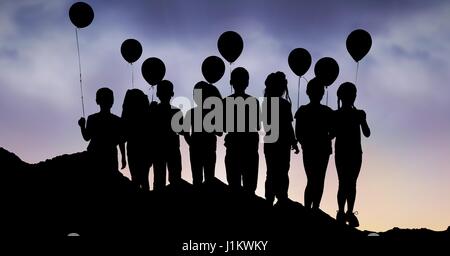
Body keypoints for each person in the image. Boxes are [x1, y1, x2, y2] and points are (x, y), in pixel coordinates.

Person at [334, 82, 371, 227]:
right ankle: (346, 212)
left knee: (344, 182)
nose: (353, 97)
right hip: (353, 152)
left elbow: (331, 135)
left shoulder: (339, 114)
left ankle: (344, 212)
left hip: (346, 152)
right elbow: (367, 133)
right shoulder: (358, 114)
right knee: (349, 183)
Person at [294, 78, 333, 210]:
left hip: (313, 148)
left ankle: (311, 208)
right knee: (317, 179)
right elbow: (334, 131)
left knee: (313, 179)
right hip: (319, 148)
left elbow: (298, 132)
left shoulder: (303, 110)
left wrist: (304, 142)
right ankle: (313, 208)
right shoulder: (327, 111)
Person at [262, 72, 299, 205]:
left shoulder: (266, 103)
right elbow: (288, 125)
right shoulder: (284, 104)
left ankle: (270, 198)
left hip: (271, 142)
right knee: (282, 171)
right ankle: (281, 196)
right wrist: (294, 142)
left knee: (271, 171)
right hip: (282, 142)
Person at [223, 67, 260, 194]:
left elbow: (222, 127)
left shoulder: (225, 101)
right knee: (250, 187)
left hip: (234, 147)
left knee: (234, 186)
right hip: (249, 147)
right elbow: (257, 125)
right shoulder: (253, 101)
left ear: (231, 82)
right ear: (247, 83)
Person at [78, 87, 126, 173]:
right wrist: (123, 157)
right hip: (110, 156)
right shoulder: (117, 120)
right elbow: (121, 141)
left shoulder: (92, 118)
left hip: (94, 154)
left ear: (97, 101)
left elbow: (86, 137)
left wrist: (82, 126)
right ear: (112, 102)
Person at [184, 81, 223, 186]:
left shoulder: (191, 112)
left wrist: (192, 144)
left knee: (198, 179)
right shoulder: (212, 113)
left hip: (198, 148)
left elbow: (185, 133)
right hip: (207, 147)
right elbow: (219, 132)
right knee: (209, 179)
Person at [152, 80, 183, 190]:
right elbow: (182, 130)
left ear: (157, 94)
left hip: (159, 148)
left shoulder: (153, 111)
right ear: (172, 94)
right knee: (175, 179)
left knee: (159, 180)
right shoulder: (176, 111)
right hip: (172, 148)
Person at [121, 89, 152, 190]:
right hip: (145, 148)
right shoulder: (147, 116)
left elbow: (122, 138)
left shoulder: (127, 117)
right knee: (144, 179)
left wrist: (123, 157)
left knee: (135, 179)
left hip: (133, 149)